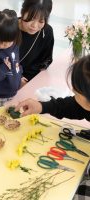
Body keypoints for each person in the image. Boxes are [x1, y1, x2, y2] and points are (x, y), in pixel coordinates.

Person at [14, 55, 90, 199]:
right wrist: (42, 106)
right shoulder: (84, 104)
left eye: (77, 91)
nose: (73, 90)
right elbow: (74, 106)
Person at [19, 0, 54, 85]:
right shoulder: (8, 29)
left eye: (41, 21)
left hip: (31, 81)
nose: (34, 26)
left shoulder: (47, 31)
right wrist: (16, 78)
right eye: (31, 18)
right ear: (22, 12)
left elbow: (46, 59)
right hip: (6, 80)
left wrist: (32, 83)